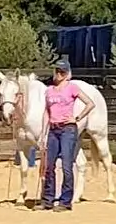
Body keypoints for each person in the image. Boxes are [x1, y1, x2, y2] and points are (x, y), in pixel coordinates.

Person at [35, 59, 95, 212]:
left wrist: (77, 118)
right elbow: (46, 113)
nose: (58, 74)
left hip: (68, 129)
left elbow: (90, 103)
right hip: (53, 130)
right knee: (49, 166)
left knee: (67, 166)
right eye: (57, 71)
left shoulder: (72, 88)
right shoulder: (49, 91)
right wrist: (43, 133)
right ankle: (47, 199)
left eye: (62, 72)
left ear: (67, 73)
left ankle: (65, 201)